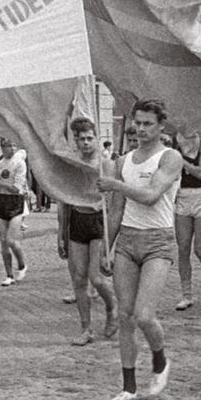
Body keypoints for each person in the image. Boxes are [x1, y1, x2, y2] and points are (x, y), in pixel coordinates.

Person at [96, 99, 182, 400]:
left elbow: (150, 196)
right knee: (125, 316)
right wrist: (108, 247)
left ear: (161, 126)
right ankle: (128, 386)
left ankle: (160, 360)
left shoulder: (170, 158)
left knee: (145, 315)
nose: (141, 129)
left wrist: (117, 184)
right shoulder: (124, 161)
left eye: (148, 123)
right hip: (128, 242)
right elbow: (118, 209)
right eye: (138, 123)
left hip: (158, 240)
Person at [57, 118, 119, 345]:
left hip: (99, 219)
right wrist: (61, 233)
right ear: (75, 141)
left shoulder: (106, 165)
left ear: (97, 138)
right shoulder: (73, 165)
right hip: (77, 219)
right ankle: (86, 328)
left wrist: (111, 239)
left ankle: (112, 307)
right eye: (81, 139)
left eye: (89, 138)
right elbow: (64, 200)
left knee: (97, 278)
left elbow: (114, 204)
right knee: (79, 279)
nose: (85, 143)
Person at [172, 128, 201, 311]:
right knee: (183, 249)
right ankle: (186, 294)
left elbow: (200, 172)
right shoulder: (176, 143)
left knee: (200, 249)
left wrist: (180, 161)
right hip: (182, 196)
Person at [0, 139, 28, 287]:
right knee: (4, 242)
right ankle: (9, 274)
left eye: (13, 145)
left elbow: (16, 187)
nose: (11, 148)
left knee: (11, 239)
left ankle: (21, 264)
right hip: (1, 202)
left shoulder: (19, 163)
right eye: (7, 145)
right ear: (2, 147)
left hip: (15, 202)